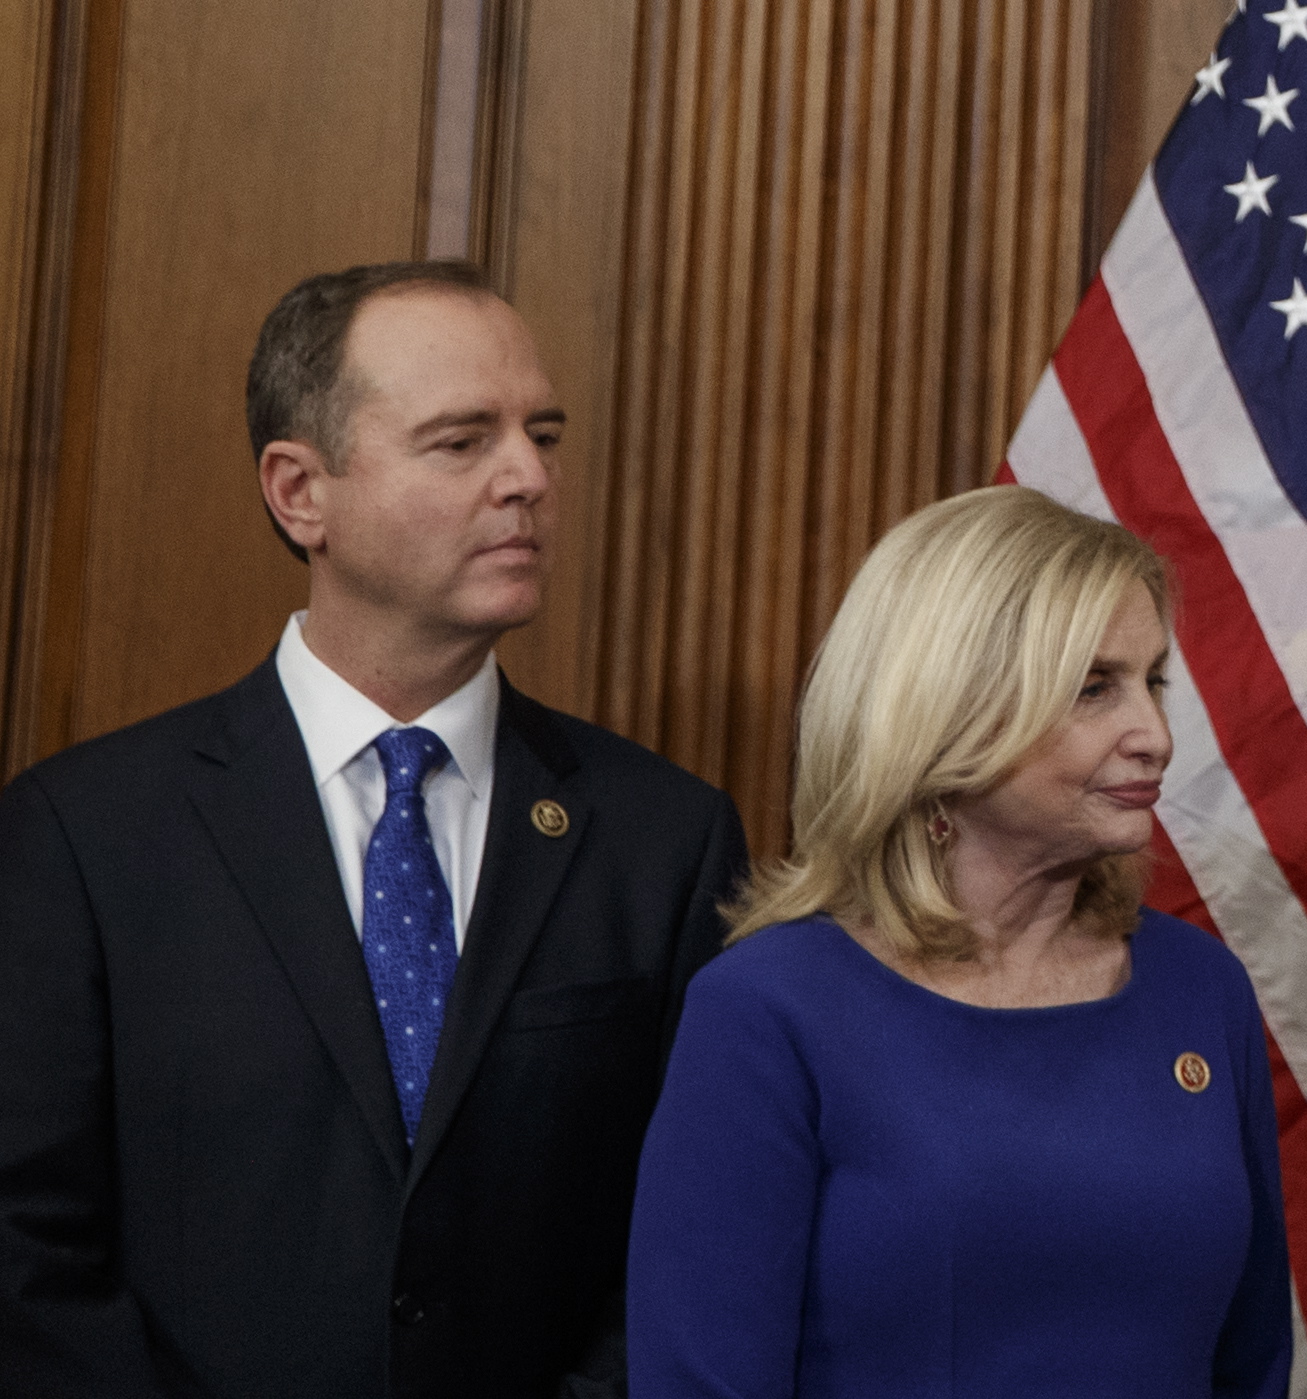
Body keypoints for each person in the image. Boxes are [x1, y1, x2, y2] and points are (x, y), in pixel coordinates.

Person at [0, 259, 750, 1395]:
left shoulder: (665, 838)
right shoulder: (84, 834)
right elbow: (26, 1246)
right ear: (301, 490)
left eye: (542, 432)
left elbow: (692, 1235)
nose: (529, 477)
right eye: (462, 440)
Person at [625, 487, 1283, 1395]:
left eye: (1153, 680)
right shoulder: (770, 1009)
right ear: (950, 714)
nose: (1157, 735)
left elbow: (1249, 1362)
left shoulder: (1198, 987)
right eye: (1095, 686)